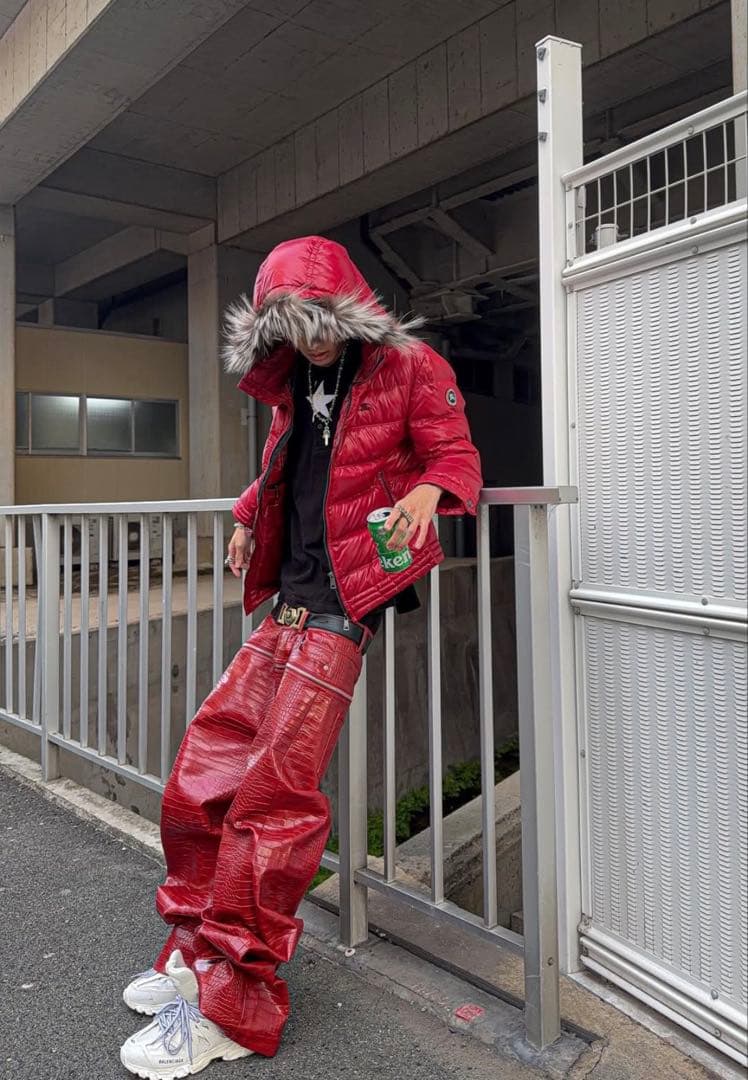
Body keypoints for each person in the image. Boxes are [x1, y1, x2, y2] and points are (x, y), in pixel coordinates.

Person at [119, 235, 482, 1079]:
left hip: (345, 603)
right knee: (202, 775)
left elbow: (456, 455)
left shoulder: (409, 366)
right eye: (293, 324)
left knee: (274, 799)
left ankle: (236, 1002)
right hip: (288, 592)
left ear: (348, 310)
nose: (312, 339)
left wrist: (427, 493)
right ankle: (195, 956)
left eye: (321, 322)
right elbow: (291, 463)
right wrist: (249, 517)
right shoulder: (292, 378)